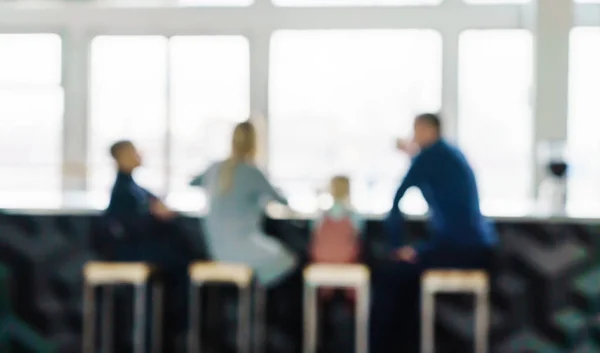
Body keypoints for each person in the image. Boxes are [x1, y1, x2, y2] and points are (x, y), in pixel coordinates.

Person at [370, 113, 498, 353]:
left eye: (416, 131)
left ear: (428, 130)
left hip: (459, 250)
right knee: (405, 279)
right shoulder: (450, 153)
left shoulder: (428, 156)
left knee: (390, 276)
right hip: (478, 248)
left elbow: (396, 202)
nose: (414, 137)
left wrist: (397, 247)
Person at [190, 121, 301, 347]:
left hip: (216, 248)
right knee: (289, 261)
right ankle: (278, 335)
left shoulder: (214, 168)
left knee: (269, 262)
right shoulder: (251, 171)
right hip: (244, 248)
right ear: (255, 143)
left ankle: (246, 322)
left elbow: (192, 182)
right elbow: (282, 200)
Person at [105, 140, 194, 352]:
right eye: (133, 152)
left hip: (141, 250)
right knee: (182, 260)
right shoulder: (122, 190)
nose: (139, 154)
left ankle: (171, 331)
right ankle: (176, 331)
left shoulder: (134, 187)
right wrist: (154, 213)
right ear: (121, 157)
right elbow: (127, 226)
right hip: (132, 253)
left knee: (182, 257)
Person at [310, 175, 363, 303]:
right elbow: (358, 236)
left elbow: (314, 234)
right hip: (346, 259)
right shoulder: (354, 215)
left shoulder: (321, 215)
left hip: (321, 259)